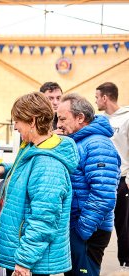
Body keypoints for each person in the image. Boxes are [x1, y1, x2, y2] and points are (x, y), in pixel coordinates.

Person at [0, 92, 79, 276]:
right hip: (25, 253)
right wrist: (7, 169)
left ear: (32, 121)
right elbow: (29, 171)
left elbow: (43, 220)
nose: (14, 127)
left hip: (32, 262)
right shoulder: (35, 147)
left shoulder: (48, 164)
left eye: (17, 121)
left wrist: (24, 261)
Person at [57, 93, 121, 276]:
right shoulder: (79, 142)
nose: (59, 124)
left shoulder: (97, 145)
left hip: (89, 230)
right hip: (80, 226)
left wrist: (81, 232)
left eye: (62, 119)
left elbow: (104, 194)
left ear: (80, 118)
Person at [94, 82, 129, 268]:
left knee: (123, 226)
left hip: (122, 180)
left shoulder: (127, 118)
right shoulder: (99, 120)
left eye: (97, 97)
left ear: (105, 98)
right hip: (103, 179)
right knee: (100, 223)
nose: (96, 101)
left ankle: (126, 263)